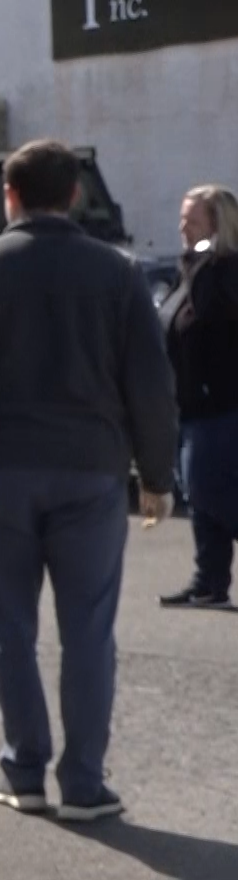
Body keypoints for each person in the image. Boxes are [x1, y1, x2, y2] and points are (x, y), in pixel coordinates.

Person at [0, 139, 177, 824]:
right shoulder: (115, 273)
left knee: (12, 627)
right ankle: (84, 783)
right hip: (90, 469)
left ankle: (24, 770)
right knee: (88, 631)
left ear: (10, 196)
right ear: (76, 195)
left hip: (0, 465)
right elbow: (150, 380)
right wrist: (156, 472)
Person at [156, 184, 238, 610]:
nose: (182, 227)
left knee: (210, 491)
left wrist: (201, 264)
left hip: (220, 404)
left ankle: (209, 580)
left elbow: (208, 319)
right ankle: (209, 582)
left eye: (193, 219)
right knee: (199, 498)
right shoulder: (190, 269)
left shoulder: (222, 271)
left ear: (217, 224)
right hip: (189, 404)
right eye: (182, 217)